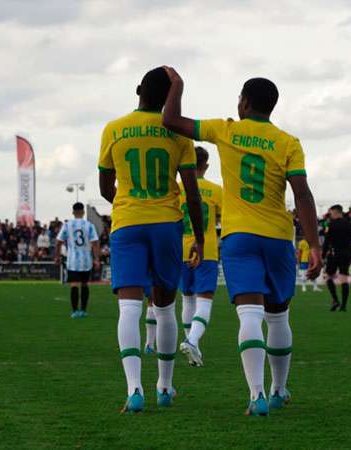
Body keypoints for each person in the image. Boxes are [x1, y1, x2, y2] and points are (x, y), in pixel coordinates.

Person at [162, 67, 322, 416]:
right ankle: (279, 390)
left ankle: (256, 395)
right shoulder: (288, 143)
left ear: (245, 102)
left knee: (249, 314)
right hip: (278, 237)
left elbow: (170, 120)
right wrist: (315, 245)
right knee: (278, 317)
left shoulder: (226, 129)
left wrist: (177, 85)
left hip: (239, 238)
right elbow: (303, 195)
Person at [98, 67, 205, 413]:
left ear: (138, 89)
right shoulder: (178, 135)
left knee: (128, 308)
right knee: (164, 306)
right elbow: (192, 195)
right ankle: (165, 385)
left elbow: (104, 187)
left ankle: (133, 390)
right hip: (166, 224)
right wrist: (200, 238)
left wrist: (129, 205)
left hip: (128, 223)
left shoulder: (114, 128)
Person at [178, 146, 223, 367]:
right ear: (206, 165)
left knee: (187, 298)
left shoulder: (176, 189)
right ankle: (193, 340)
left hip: (181, 251)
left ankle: (192, 344)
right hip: (206, 252)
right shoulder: (216, 191)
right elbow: (225, 218)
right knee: (204, 300)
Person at [55, 202, 101, 318]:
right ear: (83, 212)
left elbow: (58, 242)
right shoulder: (89, 225)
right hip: (86, 261)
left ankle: (75, 311)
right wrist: (96, 259)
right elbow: (95, 243)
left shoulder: (67, 225)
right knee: (85, 285)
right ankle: (83, 311)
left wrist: (57, 256)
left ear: (73, 212)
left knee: (74, 285)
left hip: (73, 261)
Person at [322, 205, 351, 311]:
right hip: (345, 254)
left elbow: (327, 241)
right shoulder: (349, 224)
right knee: (343, 278)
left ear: (335, 212)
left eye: (331, 213)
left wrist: (323, 255)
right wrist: (350, 255)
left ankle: (335, 300)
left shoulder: (331, 224)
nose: (331, 215)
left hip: (334, 254)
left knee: (328, 277)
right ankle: (344, 306)